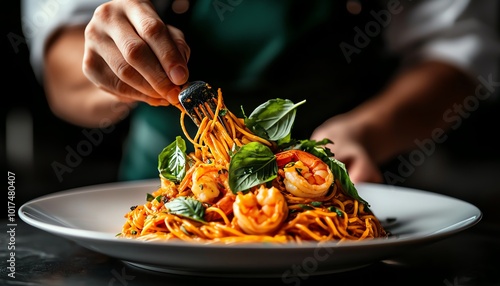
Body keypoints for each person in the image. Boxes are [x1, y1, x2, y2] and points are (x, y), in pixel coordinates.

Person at [21, 0, 498, 185]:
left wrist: (366, 132)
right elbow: (62, 58)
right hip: (155, 186)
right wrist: (115, 68)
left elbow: (459, 54)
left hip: (346, 174)